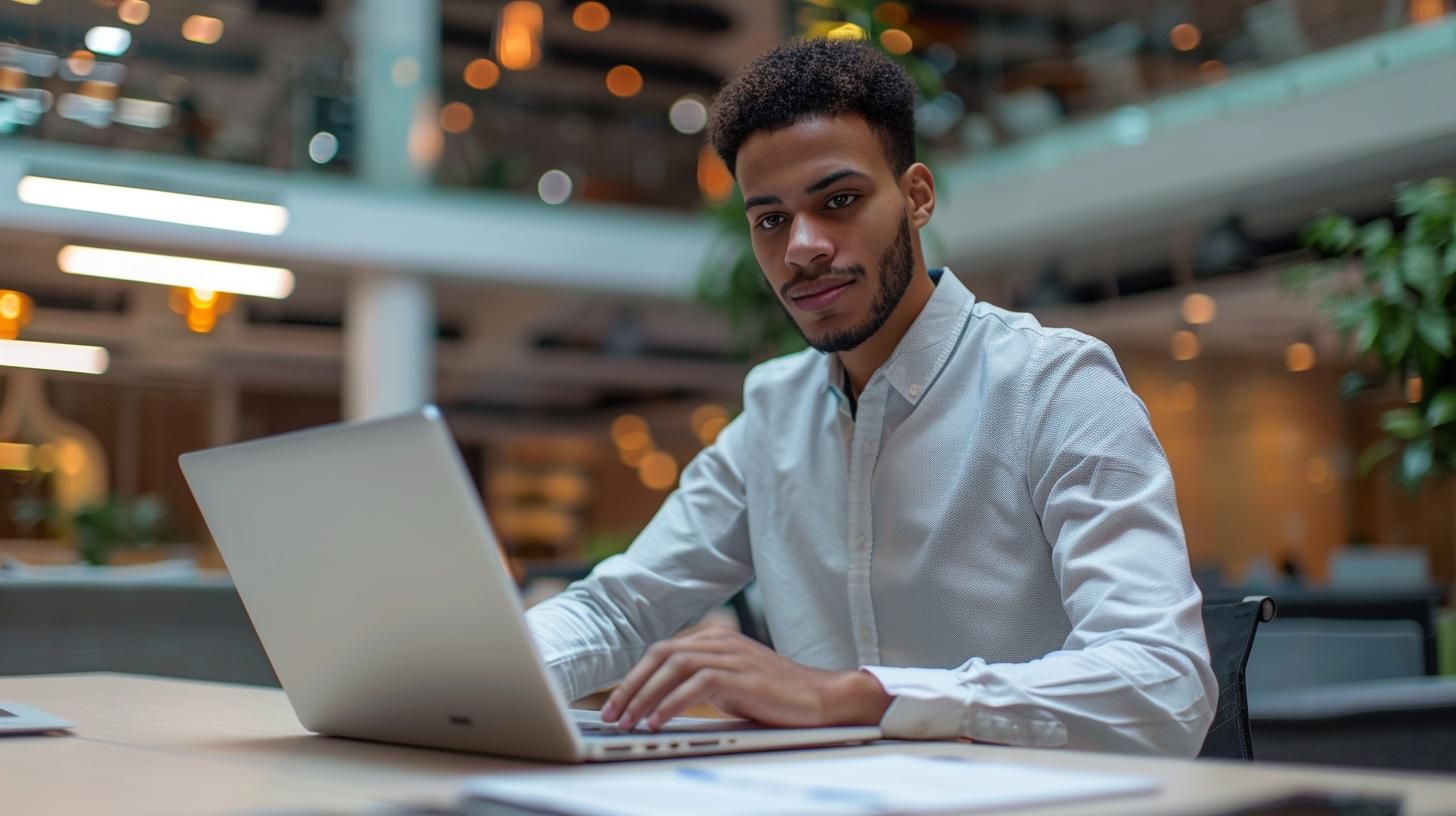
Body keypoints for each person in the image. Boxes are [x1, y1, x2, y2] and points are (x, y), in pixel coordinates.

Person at [525, 38, 1216, 756]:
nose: (803, 246)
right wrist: (463, 678)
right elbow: (618, 610)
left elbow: (1165, 686)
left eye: (840, 200)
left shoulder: (1054, 386)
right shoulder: (773, 414)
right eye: (770, 219)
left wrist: (852, 697)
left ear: (917, 196)